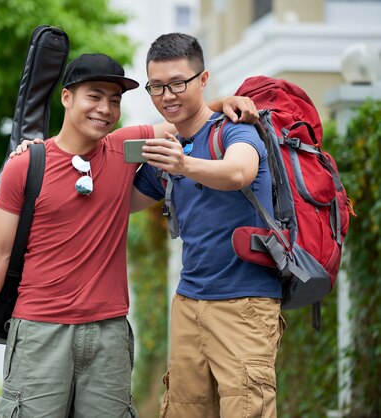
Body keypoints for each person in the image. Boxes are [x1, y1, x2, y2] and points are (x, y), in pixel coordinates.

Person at [0, 53, 258, 418]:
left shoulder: (124, 148)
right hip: (40, 331)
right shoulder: (26, 165)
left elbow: (186, 119)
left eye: (114, 100)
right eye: (94, 96)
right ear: (67, 97)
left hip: (109, 334)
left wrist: (226, 102)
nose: (105, 109)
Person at [131, 33, 285, 417]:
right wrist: (46, 157)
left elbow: (240, 171)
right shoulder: (167, 151)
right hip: (188, 303)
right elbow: (117, 202)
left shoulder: (234, 128)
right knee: (182, 410)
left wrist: (182, 164)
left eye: (178, 83)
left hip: (244, 304)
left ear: (203, 79)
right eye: (157, 87)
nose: (168, 95)